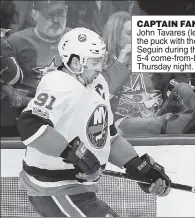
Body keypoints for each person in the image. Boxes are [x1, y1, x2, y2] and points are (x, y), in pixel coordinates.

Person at [17, 27, 171, 217]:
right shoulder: (57, 84)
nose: (100, 67)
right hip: (52, 188)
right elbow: (31, 126)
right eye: (95, 61)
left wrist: (137, 166)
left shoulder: (99, 84)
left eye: (102, 60)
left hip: (81, 189)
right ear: (75, 63)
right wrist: (75, 155)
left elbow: (108, 136)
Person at [103, 11, 195, 135]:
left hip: (155, 114)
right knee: (165, 121)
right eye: (130, 34)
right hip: (122, 122)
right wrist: (120, 63)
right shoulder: (102, 62)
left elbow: (171, 85)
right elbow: (104, 91)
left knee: (183, 88)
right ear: (115, 37)